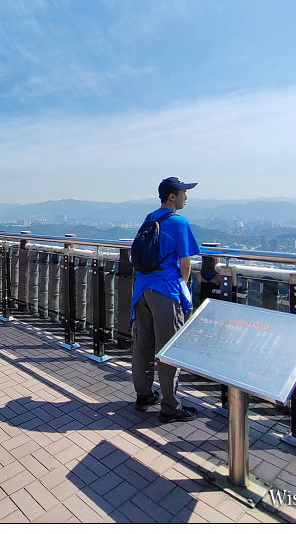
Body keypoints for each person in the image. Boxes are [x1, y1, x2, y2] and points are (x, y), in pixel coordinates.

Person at [131, 177, 201, 423]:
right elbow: (185, 263)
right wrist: (184, 288)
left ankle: (144, 395)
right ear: (172, 196)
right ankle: (170, 406)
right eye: (183, 192)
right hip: (165, 290)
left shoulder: (150, 218)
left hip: (141, 289)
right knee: (167, 349)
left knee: (143, 346)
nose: (186, 197)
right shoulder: (179, 223)